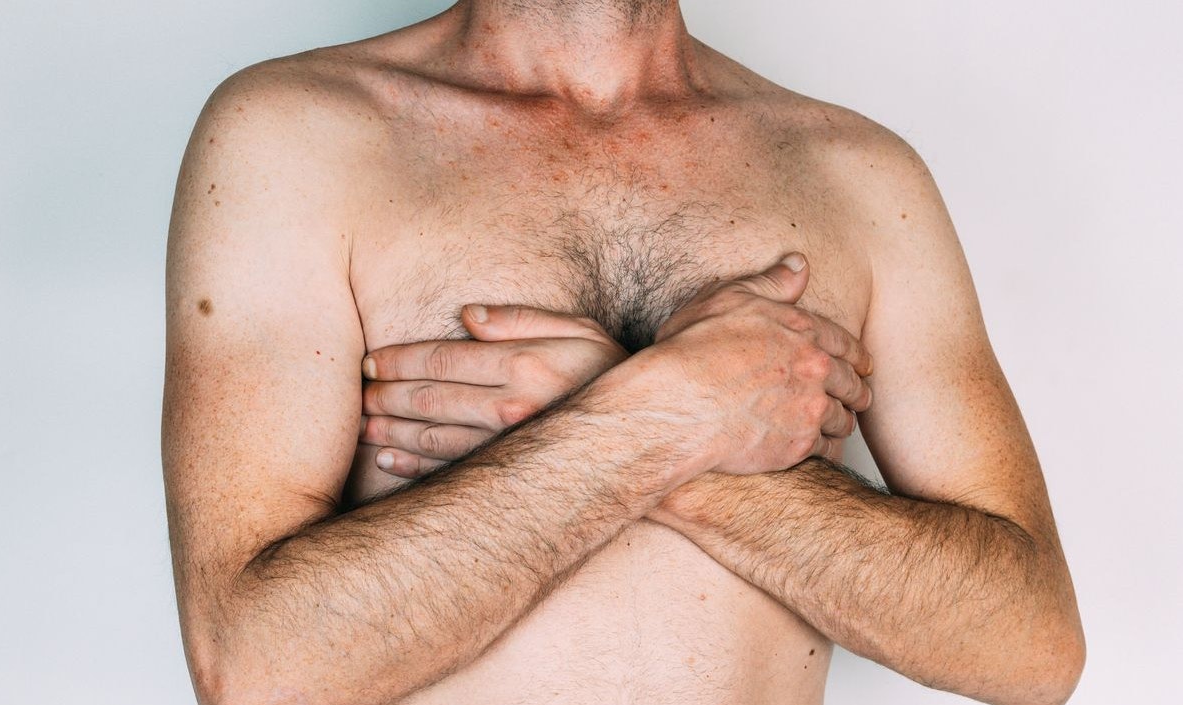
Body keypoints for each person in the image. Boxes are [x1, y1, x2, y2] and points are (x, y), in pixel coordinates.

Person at [161, 1, 1084, 703]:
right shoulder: (298, 137)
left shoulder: (857, 173)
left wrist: (619, 411)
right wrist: (670, 411)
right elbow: (254, 663)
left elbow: (1031, 641)